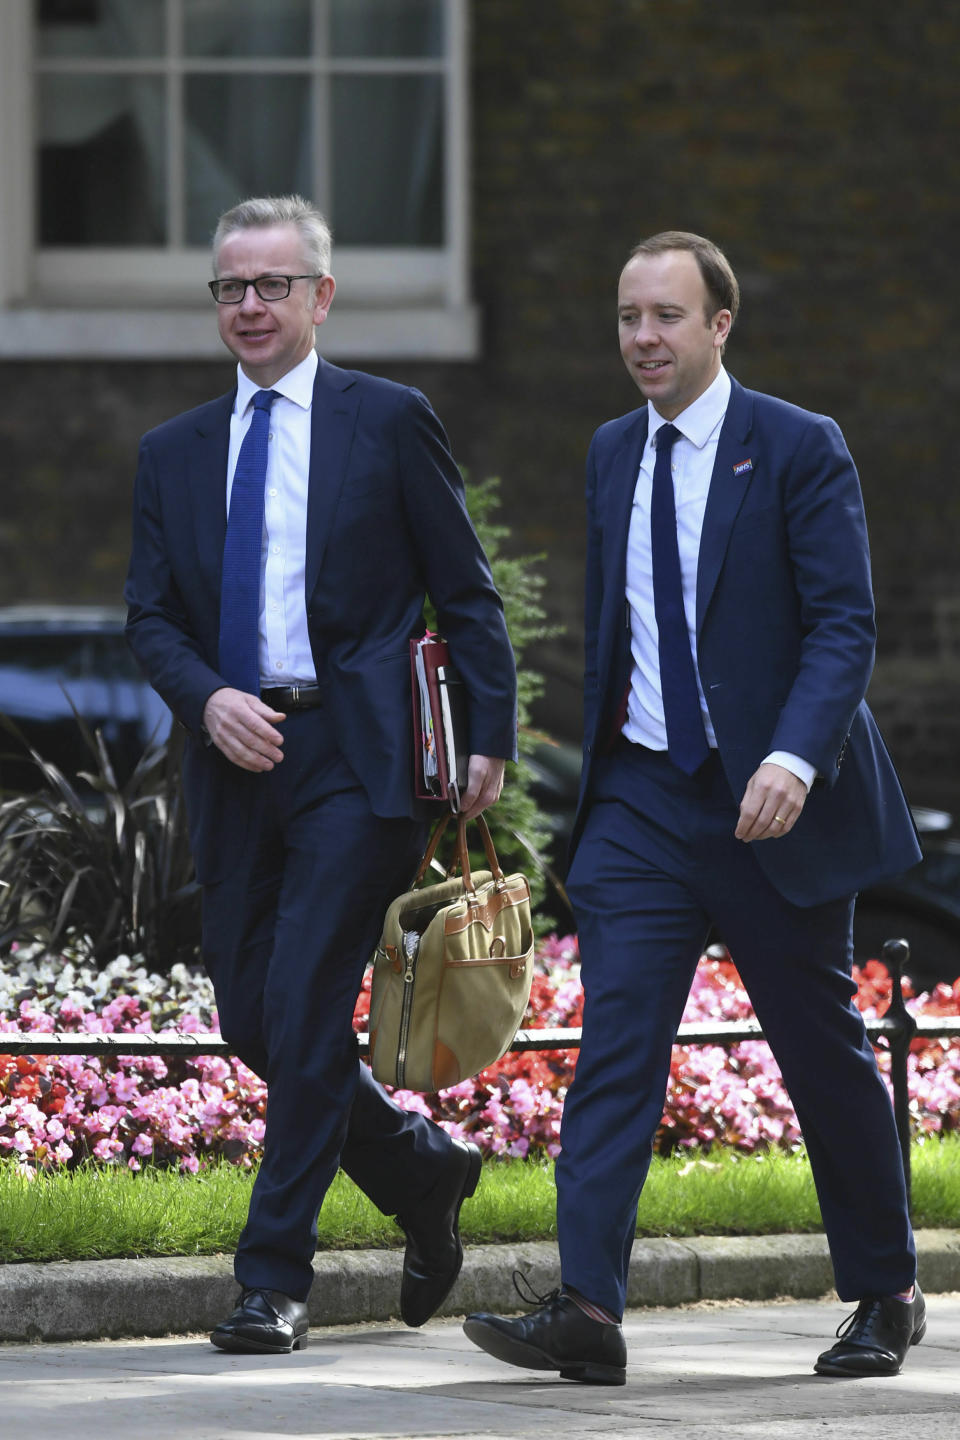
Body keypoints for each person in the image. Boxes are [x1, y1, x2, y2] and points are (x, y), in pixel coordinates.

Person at [463, 231, 925, 1384]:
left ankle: (886, 1289)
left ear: (721, 325)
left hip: (771, 805)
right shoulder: (612, 450)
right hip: (641, 805)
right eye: (627, 317)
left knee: (821, 1051)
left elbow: (843, 626)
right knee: (618, 1043)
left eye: (666, 317)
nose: (642, 340)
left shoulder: (797, 446)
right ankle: (589, 1308)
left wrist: (794, 758)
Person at [125, 193, 517, 1354]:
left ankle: (272, 1279)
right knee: (255, 1018)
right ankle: (421, 1171)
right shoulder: (173, 452)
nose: (250, 305)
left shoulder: (388, 421)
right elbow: (150, 616)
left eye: (273, 285)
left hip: (357, 757)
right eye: (231, 288)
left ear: (321, 296)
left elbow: (469, 588)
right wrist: (206, 697)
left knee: (301, 1005)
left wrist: (484, 734)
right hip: (236, 762)